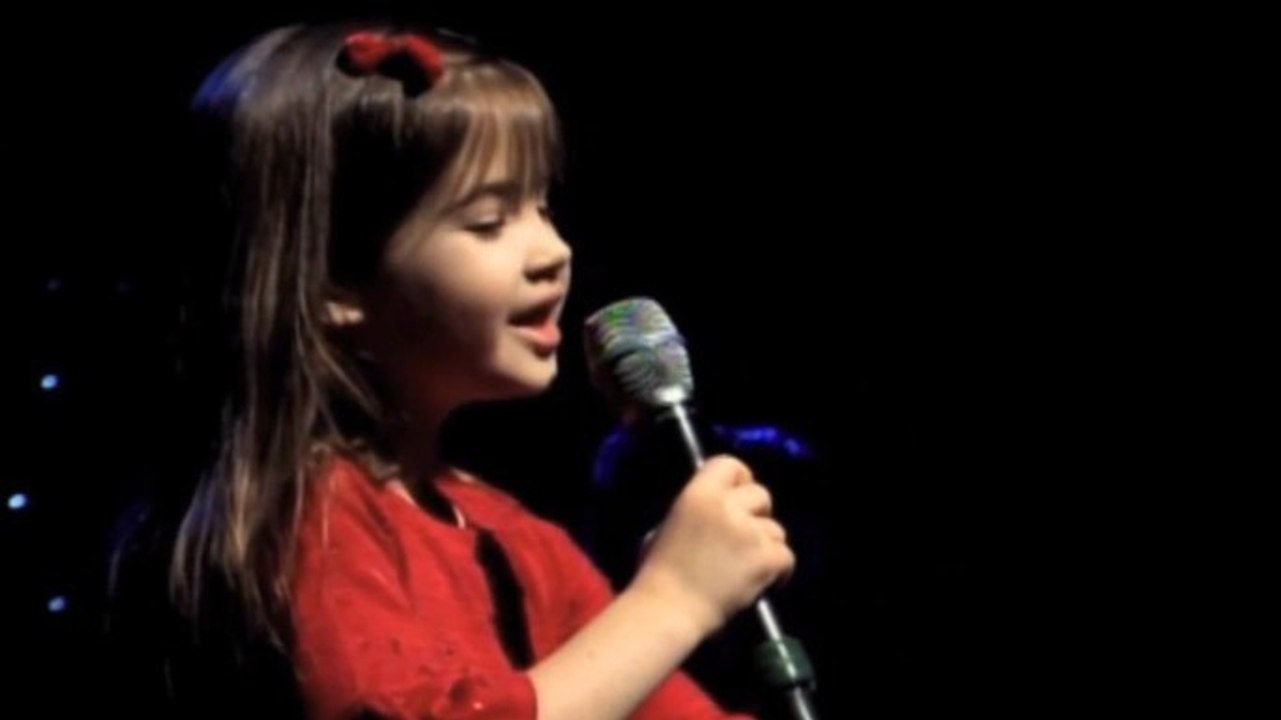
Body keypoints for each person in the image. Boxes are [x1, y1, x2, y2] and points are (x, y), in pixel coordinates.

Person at [108, 19, 795, 720]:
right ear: (333, 285)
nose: (551, 249)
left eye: (541, 205)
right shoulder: (305, 524)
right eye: (490, 222)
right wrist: (673, 600)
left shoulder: (514, 538)